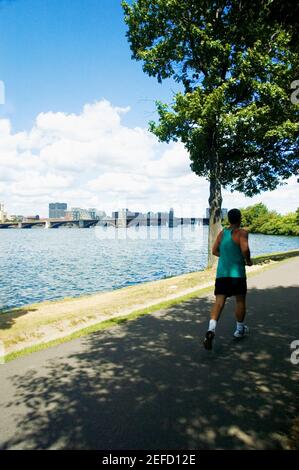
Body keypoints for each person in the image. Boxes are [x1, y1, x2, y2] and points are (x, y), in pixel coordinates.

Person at [203, 208, 253, 350]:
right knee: (240, 300)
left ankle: (211, 330)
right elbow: (245, 249)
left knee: (219, 302)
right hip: (237, 274)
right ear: (240, 219)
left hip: (222, 274)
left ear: (229, 219)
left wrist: (225, 256)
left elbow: (214, 251)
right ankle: (239, 330)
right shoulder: (242, 233)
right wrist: (248, 260)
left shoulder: (222, 233)